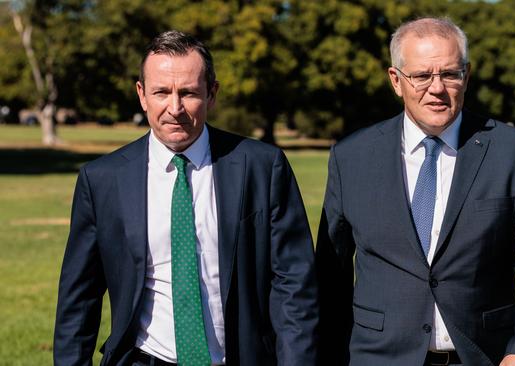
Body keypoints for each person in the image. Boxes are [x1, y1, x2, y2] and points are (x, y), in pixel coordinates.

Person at [54, 30, 318, 366]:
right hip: (144, 359)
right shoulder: (103, 179)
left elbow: (294, 286)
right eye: (161, 92)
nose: (174, 108)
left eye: (189, 93)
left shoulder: (262, 167)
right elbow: (79, 298)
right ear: (142, 95)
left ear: (212, 94)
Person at [316, 17, 515, 366]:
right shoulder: (351, 158)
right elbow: (330, 277)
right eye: (421, 76)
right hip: (378, 357)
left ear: (467, 75)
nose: (437, 88)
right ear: (396, 81)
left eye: (450, 74)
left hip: (484, 357)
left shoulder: (514, 154)